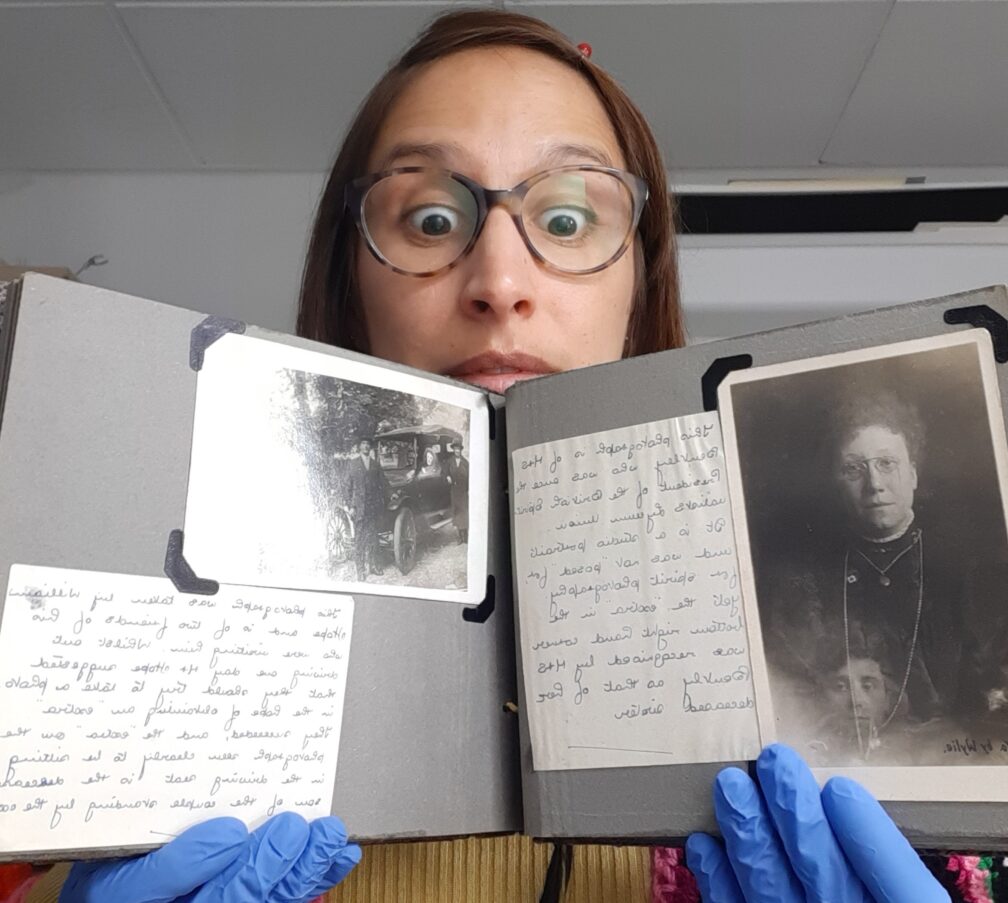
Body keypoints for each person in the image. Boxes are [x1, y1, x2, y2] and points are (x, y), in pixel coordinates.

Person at [38, 9, 955, 903]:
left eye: (564, 221)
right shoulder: (157, 703)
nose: (500, 283)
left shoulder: (809, 651)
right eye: (432, 221)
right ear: (349, 289)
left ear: (642, 289)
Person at [764, 391, 1008, 766]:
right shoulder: (804, 583)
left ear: (914, 475)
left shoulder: (971, 574)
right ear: (837, 482)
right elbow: (790, 706)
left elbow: (1006, 706)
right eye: (854, 468)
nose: (874, 485)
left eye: (887, 463)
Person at [343, 437, 388, 580]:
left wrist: (392, 495)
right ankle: (360, 571)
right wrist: (350, 506)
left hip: (372, 509)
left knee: (374, 539)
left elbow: (383, 484)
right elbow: (346, 487)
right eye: (363, 444)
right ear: (359, 447)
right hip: (359, 509)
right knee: (360, 540)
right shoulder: (353, 464)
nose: (366, 447)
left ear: (370, 447)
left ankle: (373, 567)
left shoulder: (375, 465)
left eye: (368, 444)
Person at [444, 437, 470, 543]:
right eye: (455, 449)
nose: (457, 450)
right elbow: (445, 473)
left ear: (461, 449)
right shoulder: (449, 462)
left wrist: (468, 490)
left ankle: (466, 536)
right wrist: (447, 477)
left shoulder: (465, 462)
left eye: (458, 448)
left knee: (464, 512)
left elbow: (469, 477)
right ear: (453, 449)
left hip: (463, 491)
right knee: (457, 512)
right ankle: (459, 536)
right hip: (454, 490)